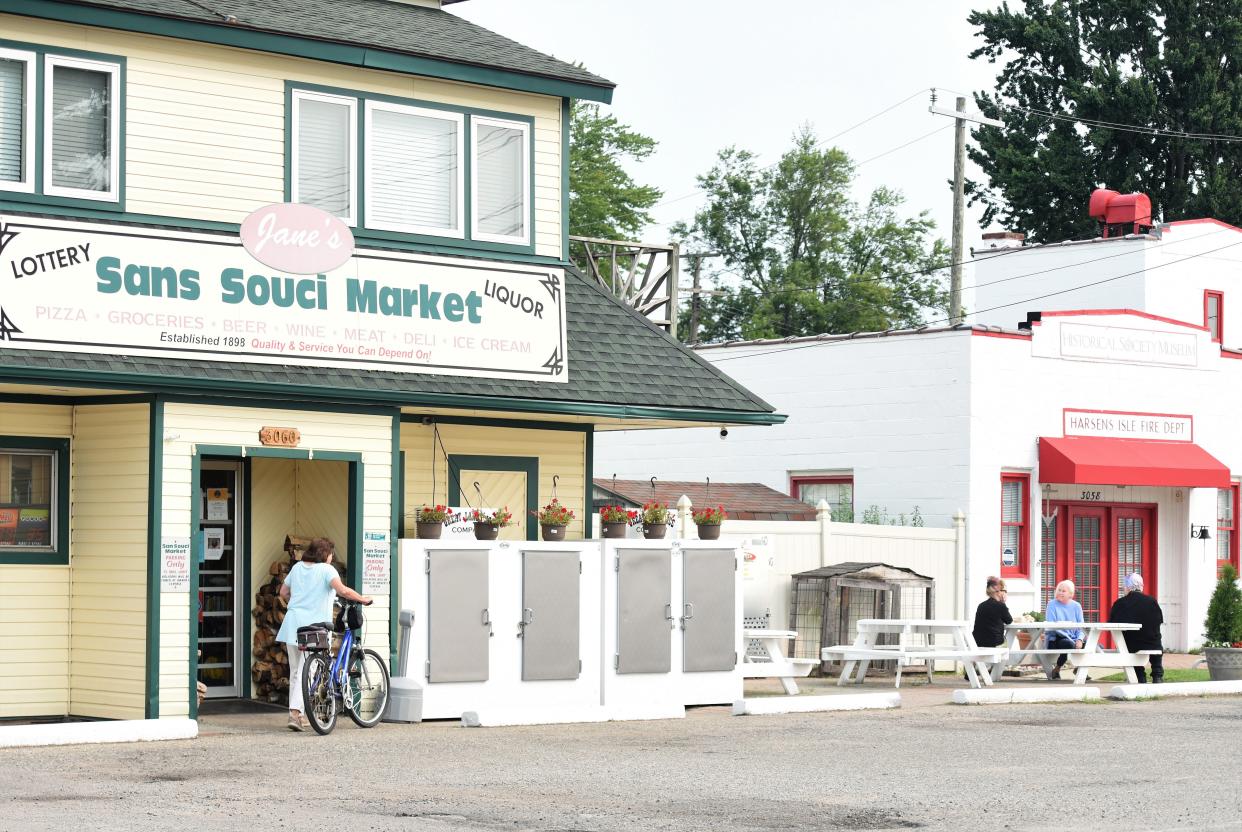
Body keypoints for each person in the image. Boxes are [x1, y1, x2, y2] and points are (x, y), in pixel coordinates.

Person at [276, 538, 372, 731]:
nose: (332, 557)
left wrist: (299, 600)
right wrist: (363, 599)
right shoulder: (327, 570)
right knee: (309, 670)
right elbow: (342, 590)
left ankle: (296, 714)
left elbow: (283, 591)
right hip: (313, 627)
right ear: (325, 554)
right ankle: (296, 713)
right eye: (331, 554)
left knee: (296, 671)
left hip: (292, 624)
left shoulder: (297, 568)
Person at [1109, 573, 1164, 683]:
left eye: (1124, 586)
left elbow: (1112, 624)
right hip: (1153, 644)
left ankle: (1140, 676)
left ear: (1128, 587)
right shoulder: (1152, 601)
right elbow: (1159, 621)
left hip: (1132, 645)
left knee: (1128, 641)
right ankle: (1157, 675)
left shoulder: (1120, 603)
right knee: (1156, 637)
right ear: (1141, 586)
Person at [1044, 579, 1085, 680]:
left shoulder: (1076, 606)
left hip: (1074, 637)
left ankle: (1080, 668)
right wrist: (1073, 640)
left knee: (1093, 644)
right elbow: (1052, 626)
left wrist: (1079, 639)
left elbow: (1081, 627)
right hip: (1057, 637)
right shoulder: (1052, 604)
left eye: (1063, 591)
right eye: (1059, 590)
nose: (1060, 592)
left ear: (1070, 594)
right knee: (1068, 644)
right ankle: (1057, 669)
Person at [973, 576, 1013, 648]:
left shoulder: (981, 605)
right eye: (1004, 591)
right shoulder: (1000, 606)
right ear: (998, 591)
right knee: (1007, 642)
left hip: (978, 643)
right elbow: (1009, 620)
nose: (1005, 593)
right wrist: (1003, 602)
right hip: (994, 644)